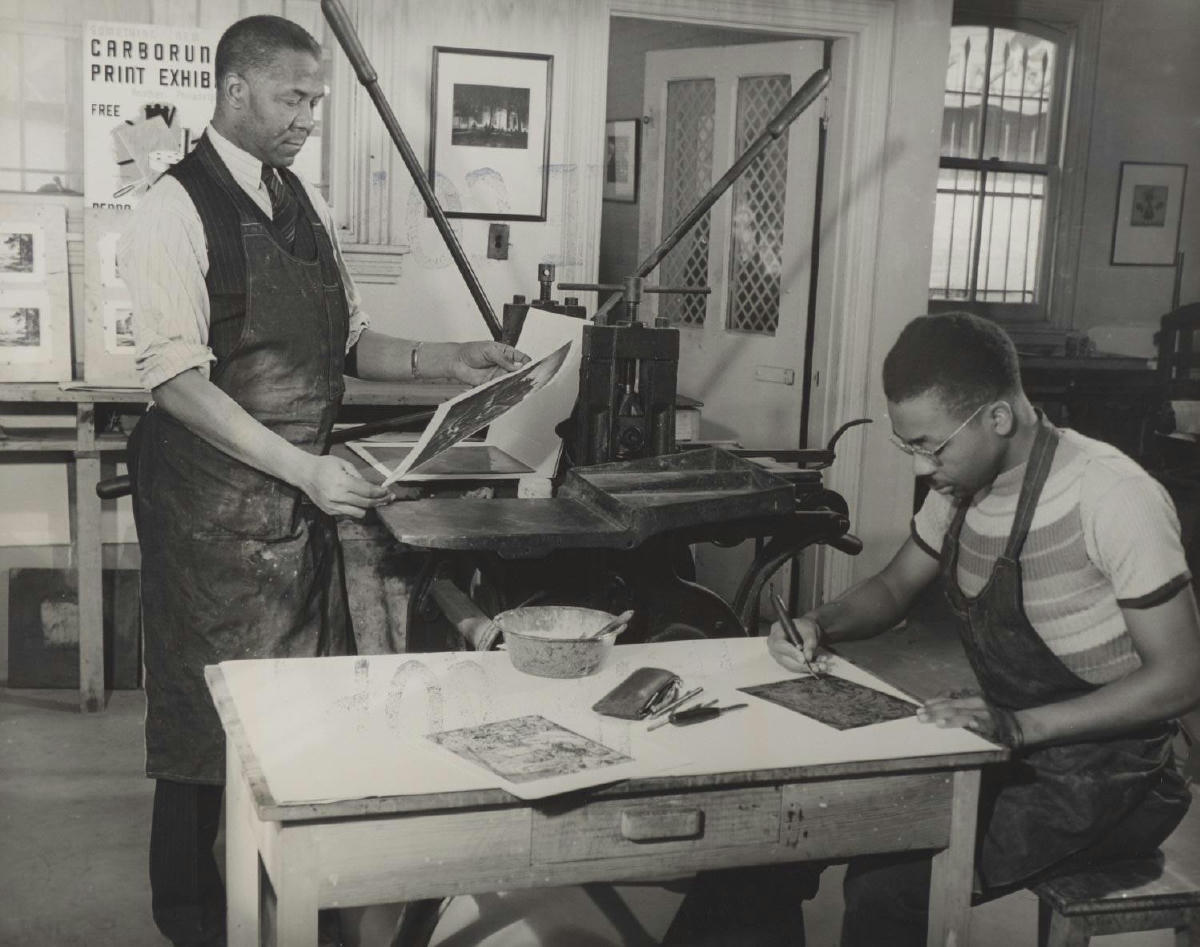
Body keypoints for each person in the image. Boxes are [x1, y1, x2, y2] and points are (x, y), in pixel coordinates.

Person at [118, 16, 526, 947]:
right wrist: (305, 467)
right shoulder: (173, 210)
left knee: (306, 714)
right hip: (210, 512)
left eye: (316, 101)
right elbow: (177, 380)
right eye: (292, 97)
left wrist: (446, 358)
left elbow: (350, 344)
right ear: (235, 91)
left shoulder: (306, 203)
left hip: (301, 502)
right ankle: (191, 917)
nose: (308, 117)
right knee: (200, 723)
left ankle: (310, 897)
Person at [767, 311, 1200, 946]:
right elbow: (891, 589)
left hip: (1116, 776)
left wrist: (1022, 726)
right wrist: (816, 622)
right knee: (790, 828)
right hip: (1005, 746)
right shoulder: (962, 488)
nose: (921, 468)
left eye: (929, 446)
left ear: (998, 418)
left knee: (889, 888)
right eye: (908, 447)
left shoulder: (1111, 496)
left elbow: (1184, 676)